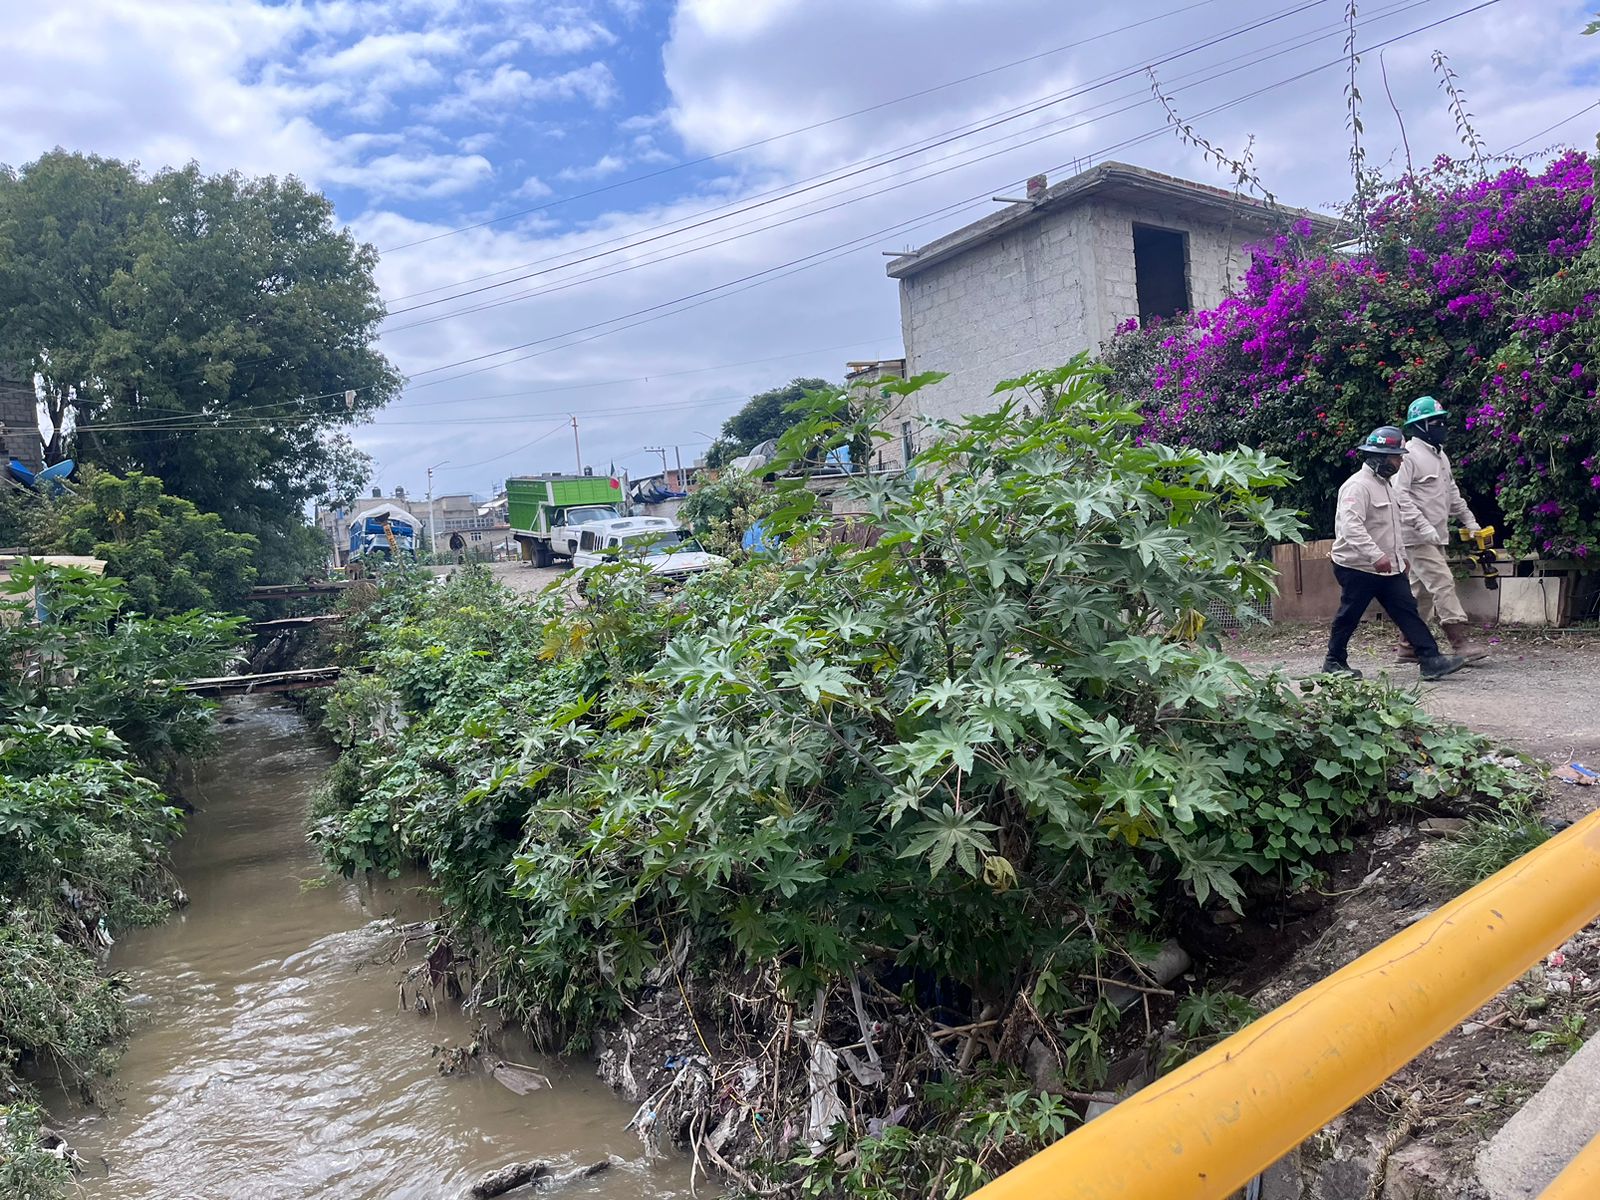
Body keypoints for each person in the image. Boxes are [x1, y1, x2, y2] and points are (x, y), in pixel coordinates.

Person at [1324, 426, 1467, 681]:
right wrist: (1375, 555)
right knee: (1350, 615)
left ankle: (1430, 659)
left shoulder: (1387, 486)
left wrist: (1400, 559)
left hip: (1388, 567)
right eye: (1396, 457)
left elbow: (1394, 527)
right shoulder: (1357, 486)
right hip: (1357, 566)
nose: (1401, 462)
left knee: (1407, 611)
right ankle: (1333, 662)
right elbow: (1351, 527)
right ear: (1380, 457)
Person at [1391, 396, 1489, 663]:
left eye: (1442, 421)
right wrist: (1422, 526)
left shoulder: (1440, 455)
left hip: (1437, 534)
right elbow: (1399, 495)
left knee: (1421, 593)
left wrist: (1470, 522)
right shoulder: (1409, 456)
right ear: (1419, 426)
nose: (1441, 426)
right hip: (1416, 536)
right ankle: (1460, 642)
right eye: (1435, 422)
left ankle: (1408, 645)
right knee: (1443, 582)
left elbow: (1452, 493)